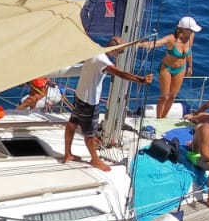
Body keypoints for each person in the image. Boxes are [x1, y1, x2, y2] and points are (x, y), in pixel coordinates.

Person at [62, 37, 155, 172]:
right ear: (115, 50)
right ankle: (95, 159)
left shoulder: (95, 48)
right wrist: (141, 80)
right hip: (89, 102)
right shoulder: (103, 60)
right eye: (120, 52)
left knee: (72, 124)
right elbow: (121, 74)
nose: (119, 54)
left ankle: (68, 154)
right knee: (90, 134)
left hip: (79, 95)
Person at [153, 16, 200, 119]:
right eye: (191, 30)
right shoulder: (171, 39)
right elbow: (155, 43)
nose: (192, 32)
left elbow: (189, 51)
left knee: (173, 96)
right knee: (165, 97)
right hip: (167, 68)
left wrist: (190, 65)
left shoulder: (191, 36)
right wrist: (138, 44)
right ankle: (158, 118)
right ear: (184, 29)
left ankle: (163, 118)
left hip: (181, 68)